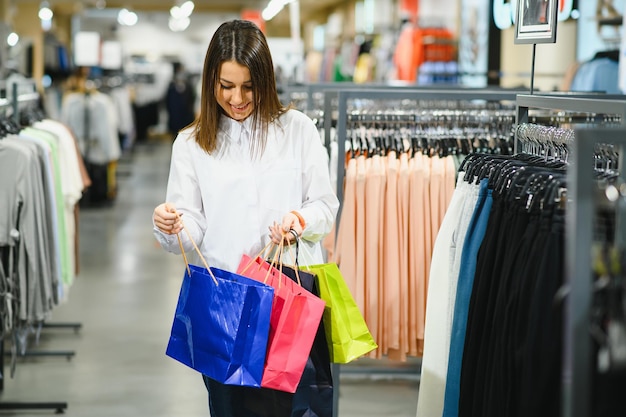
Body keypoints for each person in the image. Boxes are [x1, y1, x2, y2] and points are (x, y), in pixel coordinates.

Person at [152, 19, 339, 417]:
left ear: (266, 80)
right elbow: (192, 227)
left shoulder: (298, 130)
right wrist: (172, 226)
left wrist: (298, 220)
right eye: (226, 86)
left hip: (288, 300)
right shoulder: (191, 143)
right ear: (211, 83)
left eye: (248, 86)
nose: (237, 98)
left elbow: (325, 206)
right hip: (224, 305)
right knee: (228, 409)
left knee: (295, 408)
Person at [164, 61, 196, 141]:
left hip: (186, 120)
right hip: (175, 120)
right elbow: (168, 104)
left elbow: (191, 101)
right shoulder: (171, 87)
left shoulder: (188, 86)